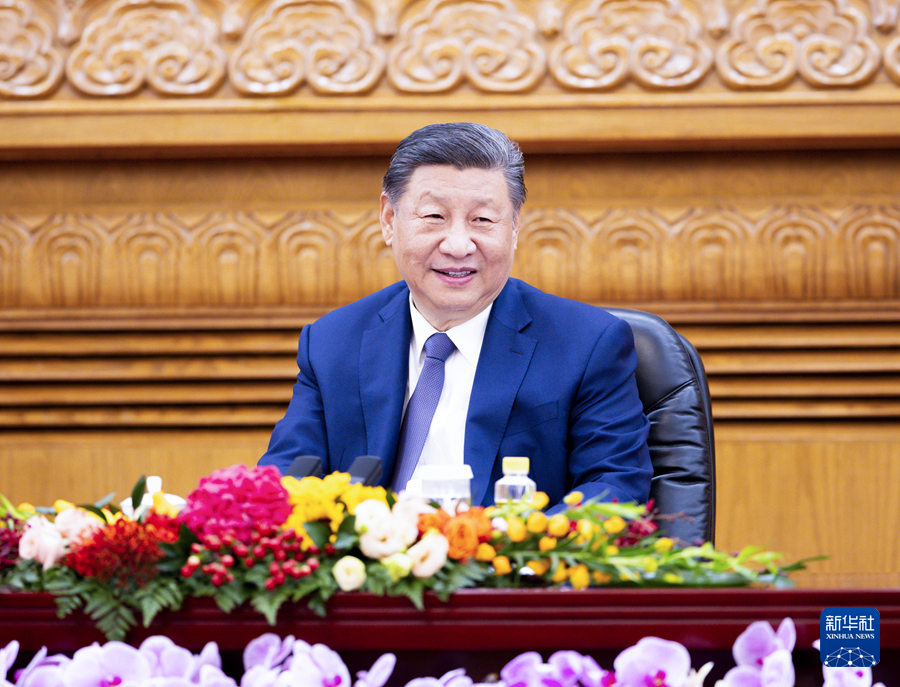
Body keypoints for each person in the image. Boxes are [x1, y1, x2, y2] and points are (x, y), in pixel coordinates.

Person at [259, 122, 652, 508]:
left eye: (483, 220)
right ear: (389, 220)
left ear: (515, 226)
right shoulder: (332, 342)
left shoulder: (588, 344)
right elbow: (283, 485)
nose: (459, 245)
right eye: (434, 217)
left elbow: (614, 487)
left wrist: (516, 539)